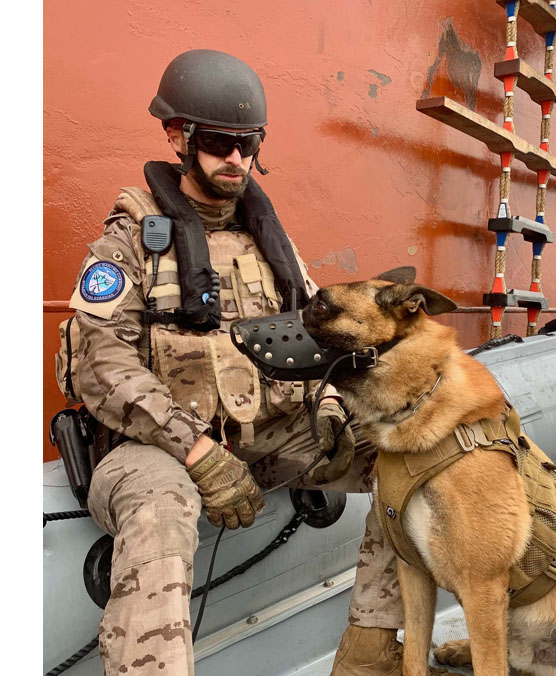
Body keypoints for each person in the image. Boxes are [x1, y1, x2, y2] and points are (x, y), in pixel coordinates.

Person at [64, 49, 441, 676]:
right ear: (177, 136)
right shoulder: (127, 242)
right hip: (157, 452)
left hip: (268, 438)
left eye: (248, 142)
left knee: (409, 453)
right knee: (159, 507)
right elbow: (102, 367)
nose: (237, 159)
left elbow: (320, 337)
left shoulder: (270, 241)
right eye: (219, 142)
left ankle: (371, 642)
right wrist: (197, 453)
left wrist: (326, 404)